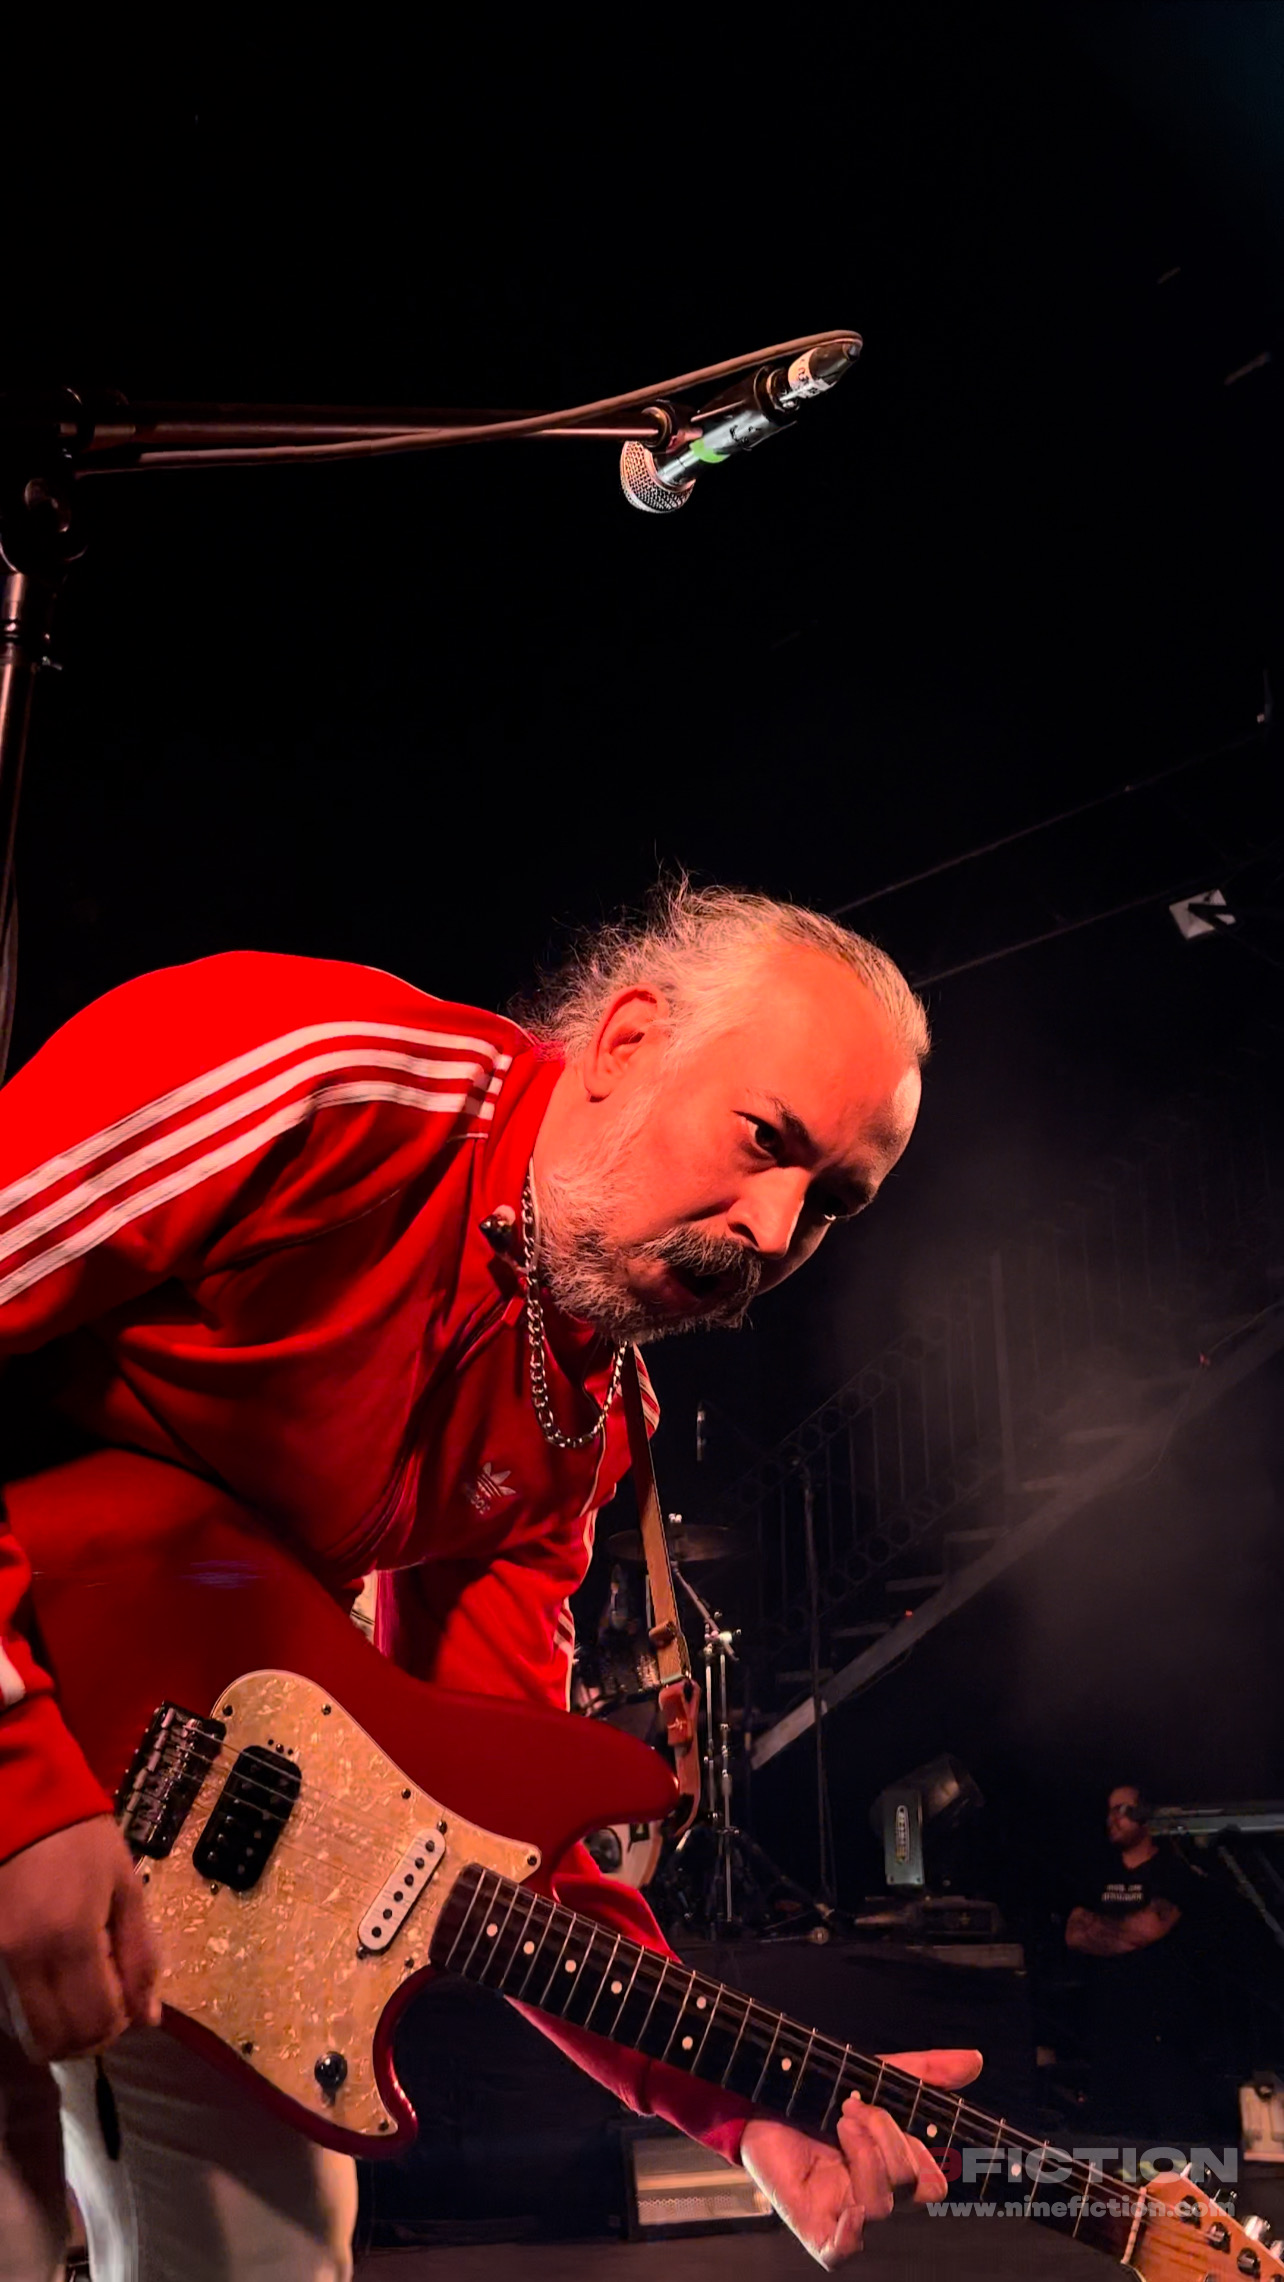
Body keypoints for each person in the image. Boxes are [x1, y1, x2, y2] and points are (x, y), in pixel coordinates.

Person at [0, 883, 980, 2279]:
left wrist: (745, 2105)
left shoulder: (587, 1419)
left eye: (829, 1204)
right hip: (24, 1730)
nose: (773, 1233)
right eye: (767, 1140)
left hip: (177, 1834)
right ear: (628, 1040)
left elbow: (498, 1828)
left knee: (272, 2253)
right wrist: (26, 1789)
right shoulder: (327, 1082)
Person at [1065, 1783, 1201, 2129]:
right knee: (1110, 2133)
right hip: (1106, 2025)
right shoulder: (1098, 1871)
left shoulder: (1171, 1871)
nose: (1112, 1819)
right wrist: (1124, 1933)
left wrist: (1103, 1930)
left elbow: (1149, 1928)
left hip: (1161, 2029)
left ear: (1143, 1815)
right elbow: (1075, 1933)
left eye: (1122, 1810)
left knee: (1164, 2131)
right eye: (1109, 1810)